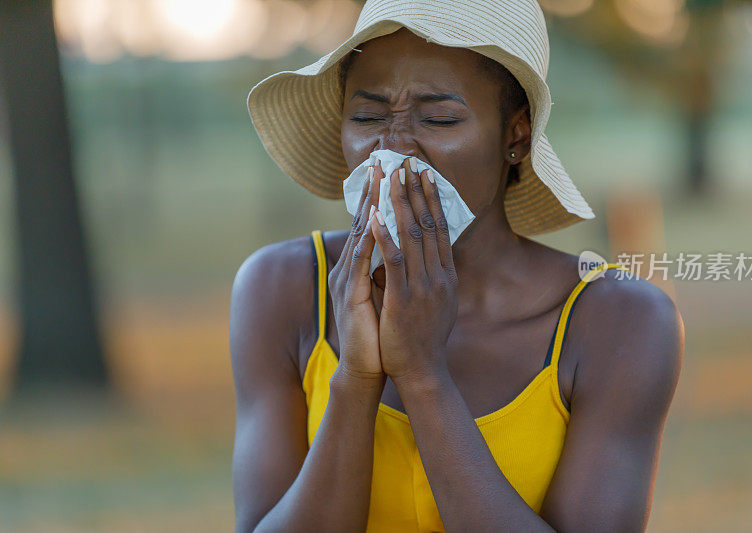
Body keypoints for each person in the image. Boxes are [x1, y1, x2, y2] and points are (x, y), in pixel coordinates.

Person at [230, 2, 684, 532]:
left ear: (515, 135)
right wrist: (355, 378)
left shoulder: (619, 321)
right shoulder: (283, 288)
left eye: (439, 118)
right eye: (369, 117)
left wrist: (423, 374)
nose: (394, 148)